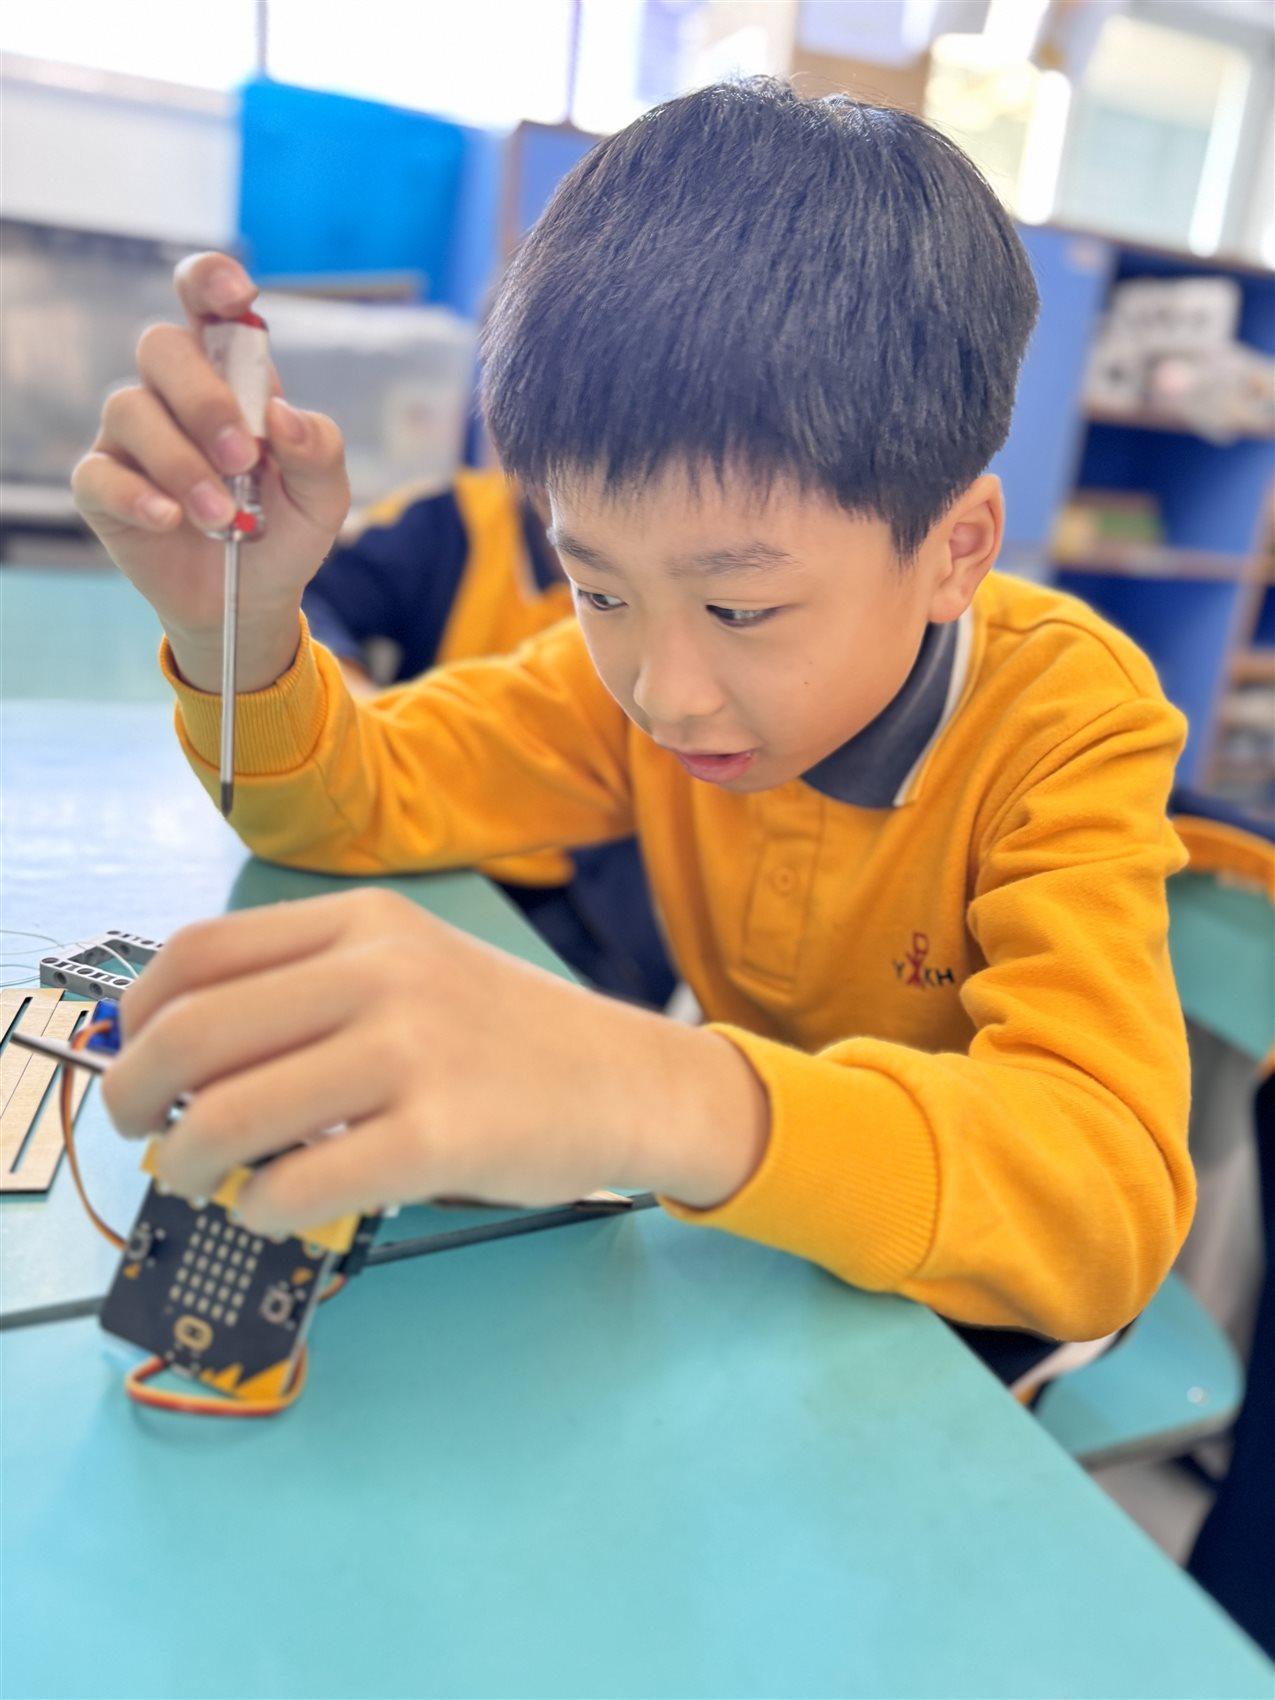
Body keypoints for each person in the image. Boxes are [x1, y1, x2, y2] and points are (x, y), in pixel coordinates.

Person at [72, 79, 1195, 1383]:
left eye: (741, 607)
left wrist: (651, 1086)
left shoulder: (1063, 722)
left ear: (955, 551)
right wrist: (243, 628)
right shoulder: (635, 690)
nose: (664, 693)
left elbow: (1101, 1206)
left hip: (976, 1300)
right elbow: (346, 799)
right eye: (597, 587)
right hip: (766, 1236)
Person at [303, 472, 676, 1007]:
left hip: (585, 905)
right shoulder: (449, 525)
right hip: (436, 848)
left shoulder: (663, 608)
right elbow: (314, 595)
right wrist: (344, 680)